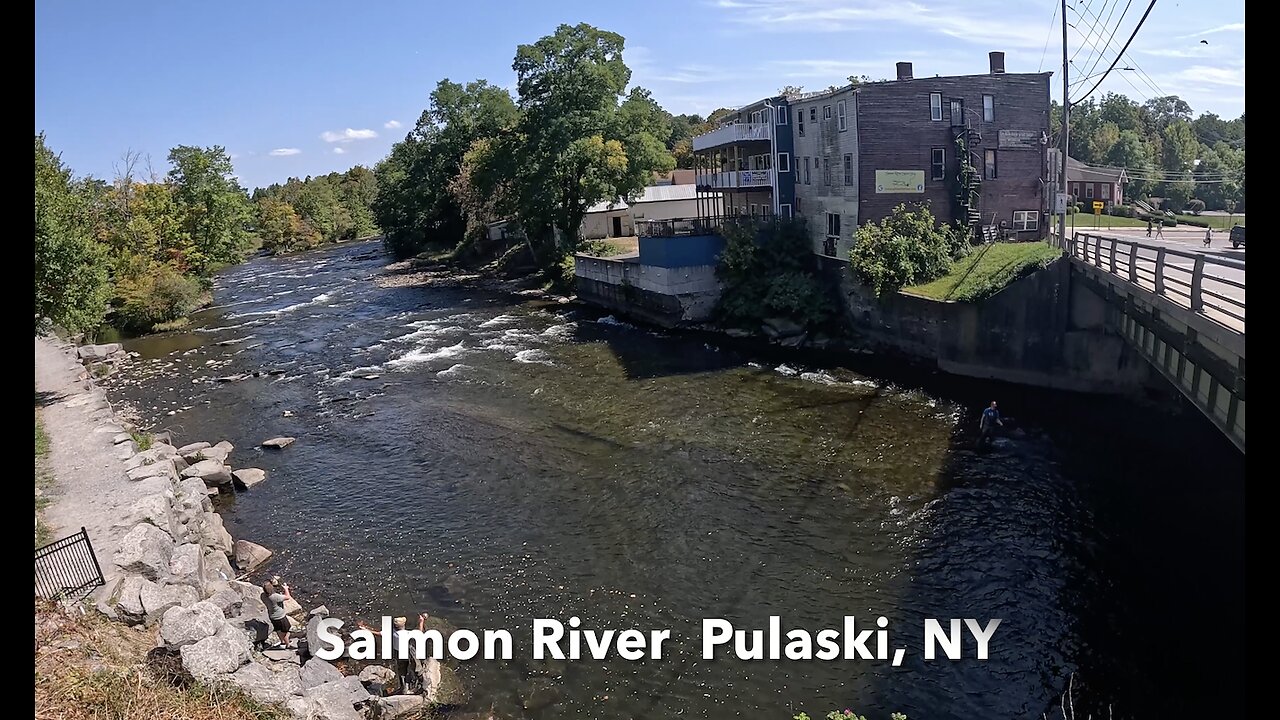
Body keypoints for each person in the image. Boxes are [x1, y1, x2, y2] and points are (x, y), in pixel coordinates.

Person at [358, 613, 429, 694]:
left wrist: (365, 629)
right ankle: (422, 685)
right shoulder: (406, 634)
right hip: (409, 653)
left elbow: (378, 633)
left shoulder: (391, 632)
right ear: (403, 625)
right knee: (417, 668)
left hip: (398, 653)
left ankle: (404, 688)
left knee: (402, 671)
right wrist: (421, 622)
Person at [262, 580, 294, 649]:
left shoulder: (263, 596)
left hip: (272, 617)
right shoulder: (275, 597)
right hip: (280, 617)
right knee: (286, 631)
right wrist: (286, 588)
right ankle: (288, 644)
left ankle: (282, 642)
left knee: (278, 630)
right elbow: (287, 597)